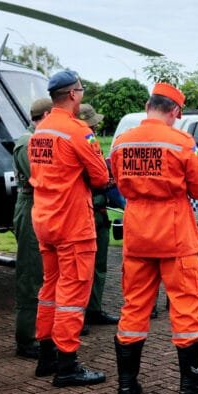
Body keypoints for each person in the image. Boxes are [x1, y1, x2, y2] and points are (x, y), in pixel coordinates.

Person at [110, 82, 198, 394]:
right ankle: (190, 387)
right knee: (186, 309)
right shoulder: (182, 143)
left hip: (137, 235)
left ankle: (126, 386)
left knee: (134, 307)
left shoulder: (122, 142)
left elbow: (119, 184)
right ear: (175, 111)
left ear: (148, 106)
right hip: (175, 236)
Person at [28, 70, 111, 387]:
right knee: (72, 294)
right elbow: (100, 177)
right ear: (74, 94)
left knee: (50, 289)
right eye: (81, 89)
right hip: (72, 223)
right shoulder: (77, 131)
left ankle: (46, 357)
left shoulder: (41, 129)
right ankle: (67, 365)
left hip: (45, 220)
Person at [13, 97, 53, 359]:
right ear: (47, 115)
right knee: (30, 273)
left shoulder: (36, 139)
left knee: (41, 271)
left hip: (38, 206)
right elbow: (40, 177)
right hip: (30, 206)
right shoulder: (28, 142)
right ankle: (27, 337)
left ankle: (38, 331)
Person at [76, 103, 120, 327]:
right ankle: (78, 315)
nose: (95, 128)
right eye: (92, 124)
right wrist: (106, 181)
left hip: (100, 213)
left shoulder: (93, 145)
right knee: (80, 270)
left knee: (99, 266)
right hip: (85, 213)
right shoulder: (76, 145)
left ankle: (94, 309)